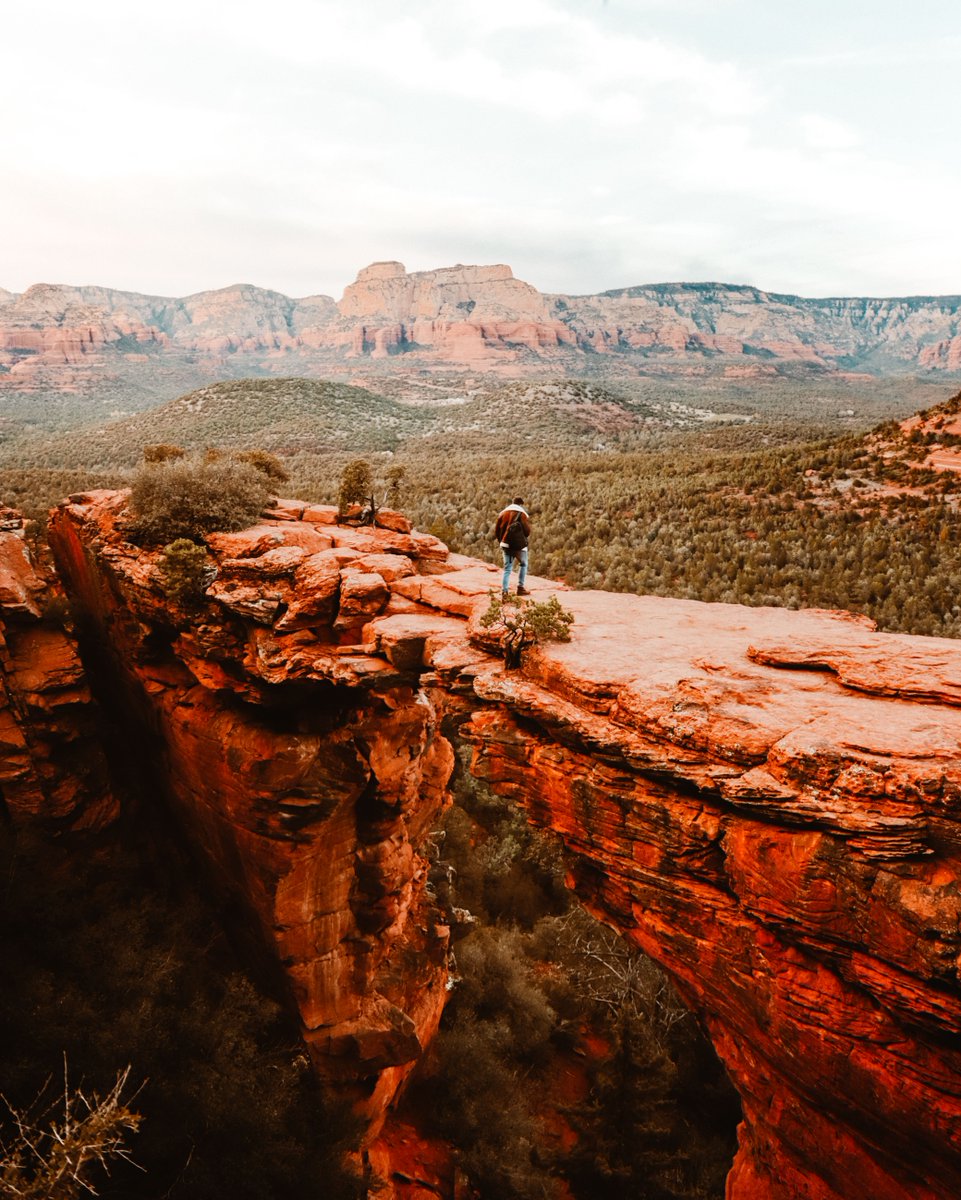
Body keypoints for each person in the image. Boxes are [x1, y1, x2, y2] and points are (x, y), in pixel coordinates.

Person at [494, 497, 531, 598]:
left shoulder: (502, 514)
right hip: (519, 547)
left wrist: (502, 541)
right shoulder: (522, 514)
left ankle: (505, 592)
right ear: (520, 504)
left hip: (506, 545)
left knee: (507, 569)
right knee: (523, 564)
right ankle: (520, 588)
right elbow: (527, 532)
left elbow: (496, 531)